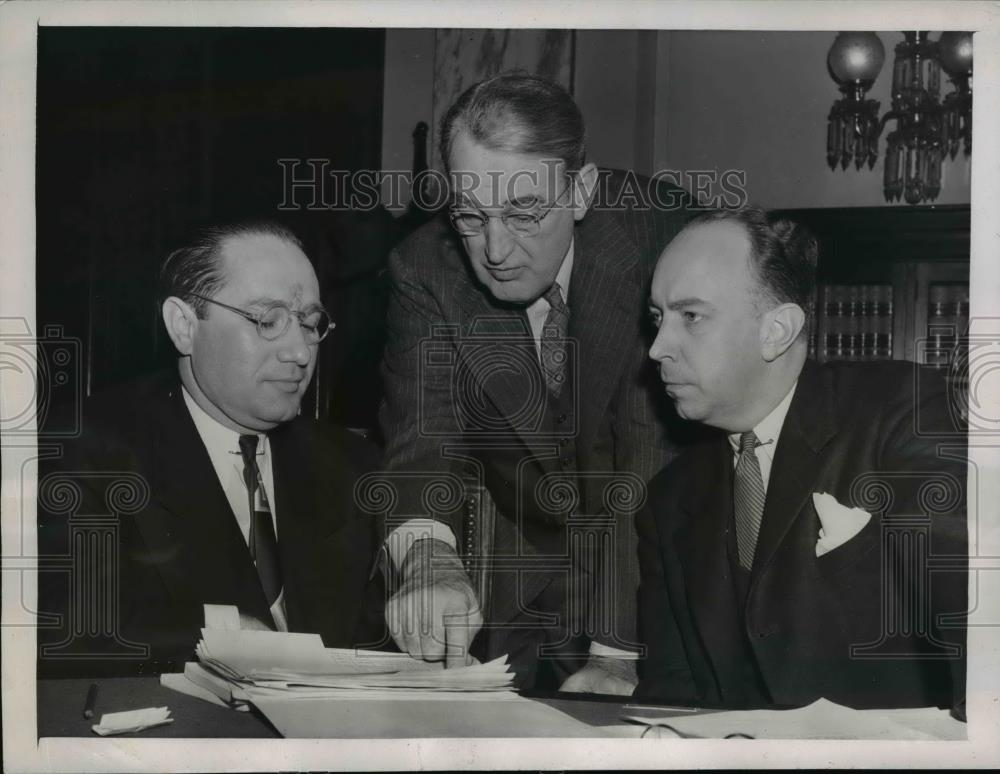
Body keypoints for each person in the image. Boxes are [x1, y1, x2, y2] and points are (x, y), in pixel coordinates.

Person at [378, 71, 692, 691]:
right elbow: (422, 439)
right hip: (511, 566)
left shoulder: (663, 240)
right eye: (471, 216)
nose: (495, 250)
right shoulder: (425, 268)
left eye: (523, 213)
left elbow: (646, 459)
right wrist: (428, 559)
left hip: (656, 571)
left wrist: (616, 653)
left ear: (581, 191)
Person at [636, 206, 967, 711]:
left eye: (691, 316)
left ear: (777, 330)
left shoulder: (903, 411)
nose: (657, 348)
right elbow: (670, 694)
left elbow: (974, 609)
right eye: (658, 318)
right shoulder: (669, 497)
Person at [37, 221, 384, 676]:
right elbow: (55, 620)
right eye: (268, 321)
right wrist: (221, 631)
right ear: (184, 326)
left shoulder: (352, 463)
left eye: (309, 323)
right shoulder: (84, 449)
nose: (300, 352)